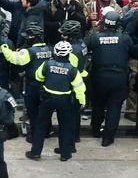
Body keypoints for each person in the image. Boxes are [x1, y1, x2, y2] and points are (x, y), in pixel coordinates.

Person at [26, 41, 86, 161]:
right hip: (64, 100)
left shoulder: (47, 64)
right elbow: (80, 89)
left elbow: (38, 76)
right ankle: (65, 153)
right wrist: (82, 102)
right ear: (69, 54)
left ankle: (36, 152)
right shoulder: (73, 70)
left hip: (47, 98)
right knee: (65, 126)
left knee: (41, 126)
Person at [86, 11, 138, 146]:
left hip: (99, 77)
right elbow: (133, 52)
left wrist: (94, 28)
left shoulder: (95, 38)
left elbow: (85, 45)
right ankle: (107, 138)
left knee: (98, 105)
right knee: (114, 108)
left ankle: (95, 130)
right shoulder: (125, 39)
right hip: (118, 77)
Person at [0, 23, 51, 142]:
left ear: (32, 38)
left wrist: (4, 47)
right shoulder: (50, 49)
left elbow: (14, 59)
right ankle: (47, 132)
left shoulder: (30, 51)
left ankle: (34, 135)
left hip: (33, 85)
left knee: (33, 111)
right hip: (47, 86)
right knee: (45, 111)